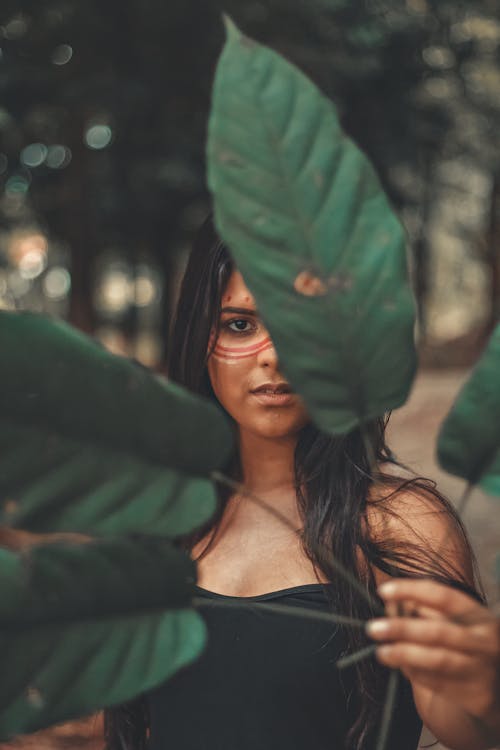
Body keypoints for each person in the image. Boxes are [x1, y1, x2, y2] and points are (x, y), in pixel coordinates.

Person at [104, 214, 500, 750]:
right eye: (239, 325)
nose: (273, 355)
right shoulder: (159, 518)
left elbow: (469, 727)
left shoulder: (399, 523)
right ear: (201, 336)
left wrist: (478, 692)